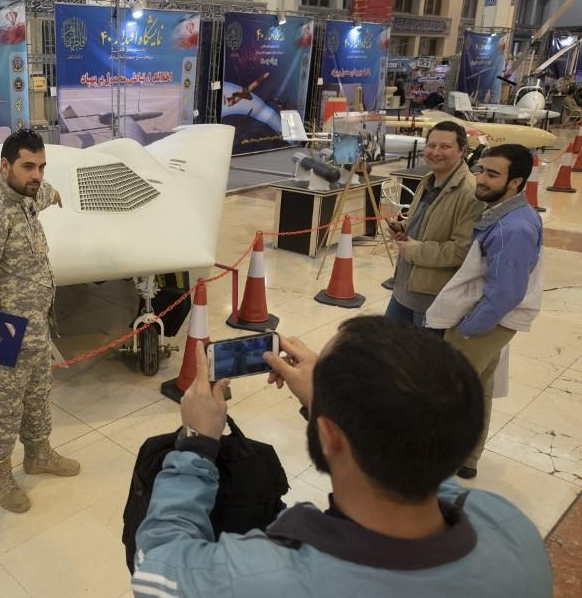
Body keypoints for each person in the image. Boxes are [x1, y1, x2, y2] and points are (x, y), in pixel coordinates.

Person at [131, 317, 552, 597]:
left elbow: (154, 568)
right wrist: (333, 408)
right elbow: (418, 459)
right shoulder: (511, 530)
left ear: (331, 437)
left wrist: (198, 443)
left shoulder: (266, 577)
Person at [0, 128, 80, 513]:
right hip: (5, 332)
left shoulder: (24, 194)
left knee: (38, 393)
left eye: (41, 166)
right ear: (4, 165)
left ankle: (38, 454)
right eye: (28, 167)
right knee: (5, 407)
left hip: (35, 326)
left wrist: (50, 192)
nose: (36, 175)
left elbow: (39, 192)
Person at [426, 144, 543, 480]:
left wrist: (469, 329)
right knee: (479, 388)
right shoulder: (507, 214)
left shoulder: (513, 227)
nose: (481, 179)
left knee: (448, 391)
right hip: (491, 321)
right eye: (480, 170)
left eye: (493, 174)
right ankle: (468, 457)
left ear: (515, 182)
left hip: (486, 323)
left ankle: (434, 457)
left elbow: (506, 291)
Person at [384, 120, 485, 332]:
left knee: (421, 362)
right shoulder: (429, 180)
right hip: (404, 288)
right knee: (389, 355)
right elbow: (424, 222)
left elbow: (462, 251)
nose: (435, 152)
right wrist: (404, 227)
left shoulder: (470, 193)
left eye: (445, 147)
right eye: (431, 145)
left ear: (462, 151)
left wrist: (415, 250)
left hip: (432, 297)